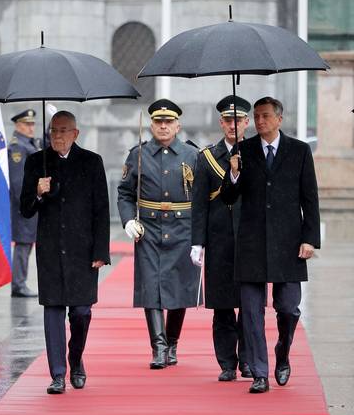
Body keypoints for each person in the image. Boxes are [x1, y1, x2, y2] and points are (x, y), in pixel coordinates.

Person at [221, 96, 320, 394]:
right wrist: (234, 173)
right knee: (251, 312)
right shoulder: (243, 150)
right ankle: (260, 373)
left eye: (266, 116)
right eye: (257, 116)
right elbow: (228, 197)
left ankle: (283, 351)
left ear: (279, 118)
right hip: (251, 243)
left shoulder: (300, 151)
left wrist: (310, 238)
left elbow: (309, 199)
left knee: (289, 309)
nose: (260, 121)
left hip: (289, 243)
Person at [20, 110, 110, 394]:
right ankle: (57, 373)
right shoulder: (37, 162)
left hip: (83, 251)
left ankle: (75, 357)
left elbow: (101, 210)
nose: (57, 136)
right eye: (53, 131)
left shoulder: (91, 162)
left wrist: (100, 251)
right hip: (50, 249)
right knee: (53, 310)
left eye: (62, 131)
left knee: (81, 312)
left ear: (75, 133)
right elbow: (24, 209)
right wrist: (37, 191)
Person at [117, 99, 199, 369]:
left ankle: (172, 342)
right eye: (158, 122)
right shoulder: (137, 155)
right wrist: (129, 220)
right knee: (151, 285)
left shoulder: (192, 155)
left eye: (169, 122)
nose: (163, 126)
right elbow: (126, 193)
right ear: (151, 125)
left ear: (178, 125)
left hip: (183, 228)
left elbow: (202, 197)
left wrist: (201, 235)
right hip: (149, 230)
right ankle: (159, 347)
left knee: (179, 286)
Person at [191, 95, 252, 381]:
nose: (233, 125)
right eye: (228, 121)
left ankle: (250, 361)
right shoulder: (206, 158)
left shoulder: (256, 155)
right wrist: (197, 242)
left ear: (247, 122)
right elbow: (199, 204)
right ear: (221, 123)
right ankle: (227, 363)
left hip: (250, 239)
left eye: (238, 120)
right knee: (224, 307)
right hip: (219, 240)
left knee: (250, 307)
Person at [8, 109, 40, 298]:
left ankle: (20, 282)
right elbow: (18, 181)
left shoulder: (28, 143)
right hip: (24, 204)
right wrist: (27, 204)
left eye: (32, 124)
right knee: (23, 243)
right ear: (18, 125)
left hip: (30, 202)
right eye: (27, 124)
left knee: (27, 243)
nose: (31, 128)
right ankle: (18, 284)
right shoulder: (17, 147)